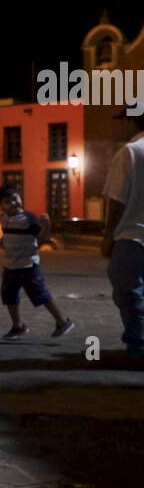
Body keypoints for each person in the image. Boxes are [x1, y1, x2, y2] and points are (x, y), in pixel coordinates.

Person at [0, 185, 75, 339]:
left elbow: (42, 238)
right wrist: (2, 241)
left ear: (20, 198)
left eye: (15, 198)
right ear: (2, 205)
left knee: (41, 294)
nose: (13, 203)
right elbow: (7, 233)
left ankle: (62, 322)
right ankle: (17, 326)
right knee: (9, 296)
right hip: (10, 265)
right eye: (7, 201)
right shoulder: (3, 218)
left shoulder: (28, 218)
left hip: (28, 265)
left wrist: (46, 225)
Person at [102, 102, 144, 359]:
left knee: (129, 292)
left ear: (132, 120)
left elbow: (117, 200)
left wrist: (108, 236)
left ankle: (138, 346)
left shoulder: (130, 151)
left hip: (132, 236)